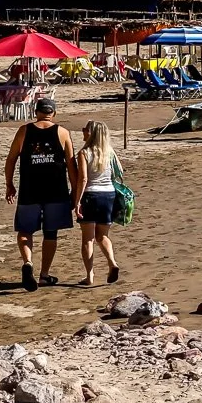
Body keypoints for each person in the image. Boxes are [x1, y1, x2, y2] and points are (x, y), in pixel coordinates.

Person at [3, 97, 75, 291]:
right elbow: (71, 165)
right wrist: (75, 192)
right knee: (51, 232)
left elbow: (11, 160)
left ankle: (28, 262)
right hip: (56, 189)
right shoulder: (63, 132)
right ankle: (44, 274)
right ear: (54, 113)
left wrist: (9, 184)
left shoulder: (24, 131)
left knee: (25, 230)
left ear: (36, 112)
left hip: (29, 188)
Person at [71, 120, 124, 286]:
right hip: (108, 195)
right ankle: (112, 262)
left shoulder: (84, 153)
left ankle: (89, 275)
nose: (83, 132)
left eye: (85, 129)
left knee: (88, 239)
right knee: (103, 235)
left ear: (91, 133)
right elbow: (120, 172)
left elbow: (83, 179)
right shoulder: (109, 152)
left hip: (90, 196)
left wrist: (77, 201)